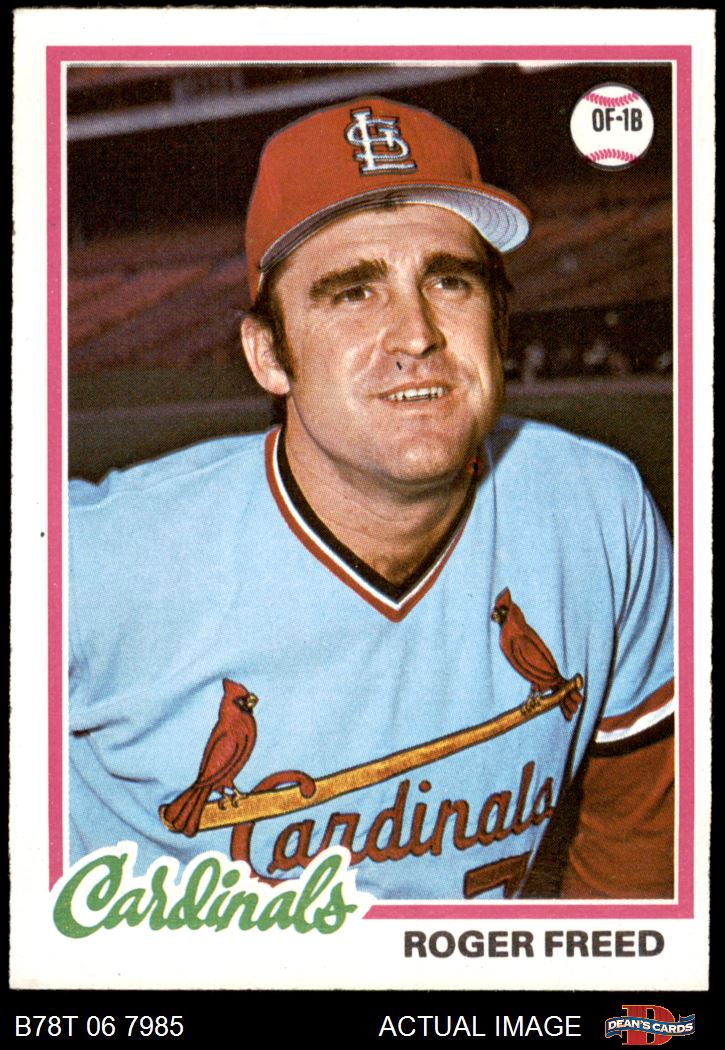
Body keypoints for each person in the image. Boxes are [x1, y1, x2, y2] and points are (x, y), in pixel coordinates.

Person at [69, 97, 674, 900]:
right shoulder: (88, 560)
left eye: (449, 281)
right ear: (268, 354)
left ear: (498, 325)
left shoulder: (596, 508)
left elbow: (638, 833)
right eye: (352, 293)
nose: (416, 333)